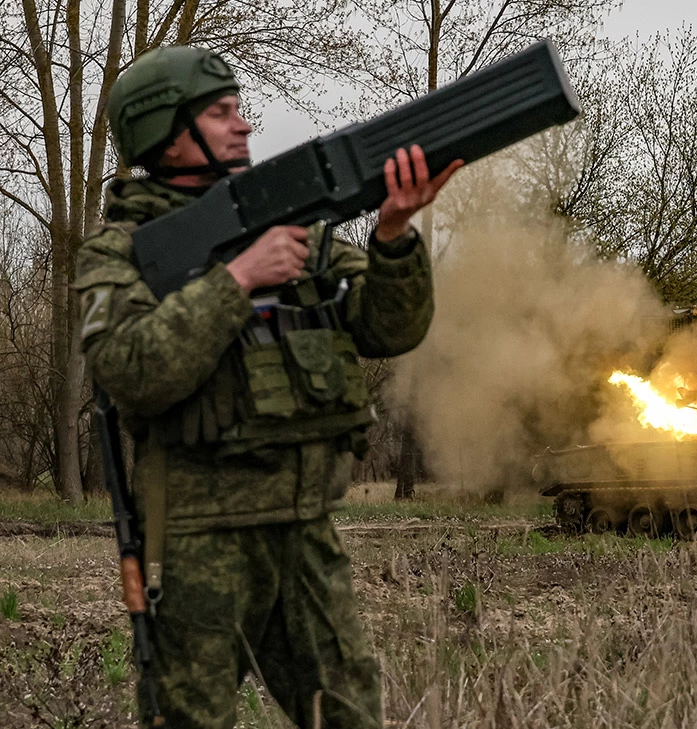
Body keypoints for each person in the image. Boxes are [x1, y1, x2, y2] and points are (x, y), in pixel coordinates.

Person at [73, 45, 461, 729]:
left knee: (348, 712)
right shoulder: (121, 252)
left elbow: (388, 328)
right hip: (199, 542)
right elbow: (132, 369)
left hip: (305, 530)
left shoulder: (293, 228)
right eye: (221, 113)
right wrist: (237, 280)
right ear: (166, 131)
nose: (244, 125)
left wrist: (394, 234)